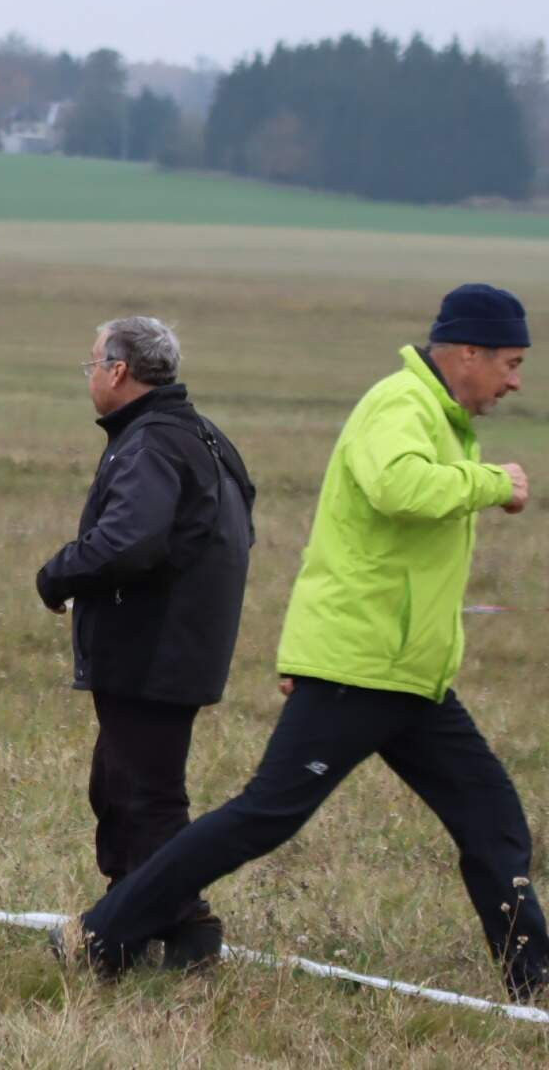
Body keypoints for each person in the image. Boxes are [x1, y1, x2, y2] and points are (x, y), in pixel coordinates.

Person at [60, 285, 546, 999]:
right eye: (510, 363)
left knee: (495, 822)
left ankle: (533, 986)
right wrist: (490, 482)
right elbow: (398, 487)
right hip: (359, 669)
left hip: (410, 678)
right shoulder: (401, 404)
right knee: (260, 817)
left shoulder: (440, 419)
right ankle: (102, 932)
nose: (516, 382)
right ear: (468, 352)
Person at [36, 317, 254, 969]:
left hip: (153, 647)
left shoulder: (151, 443)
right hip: (181, 642)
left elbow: (130, 540)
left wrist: (58, 573)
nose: (90, 376)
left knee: (147, 795)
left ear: (119, 371)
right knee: (118, 784)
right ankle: (134, 916)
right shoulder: (200, 433)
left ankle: (174, 928)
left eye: (92, 363)